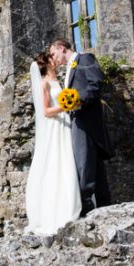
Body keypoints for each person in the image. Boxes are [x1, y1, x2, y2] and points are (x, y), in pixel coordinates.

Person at [48, 38, 114, 217]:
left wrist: (77, 100)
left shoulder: (85, 59)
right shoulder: (69, 68)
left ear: (62, 48)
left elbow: (96, 83)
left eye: (54, 54)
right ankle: (103, 206)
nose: (54, 59)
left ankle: (86, 208)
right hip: (79, 121)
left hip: (86, 120)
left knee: (83, 162)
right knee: (91, 164)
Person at [25, 51, 82, 235]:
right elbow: (46, 111)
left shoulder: (60, 80)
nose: (55, 60)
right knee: (56, 163)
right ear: (47, 63)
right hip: (55, 126)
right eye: (52, 58)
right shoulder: (44, 83)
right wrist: (66, 105)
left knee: (67, 162)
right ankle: (56, 212)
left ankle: (70, 202)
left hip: (64, 124)